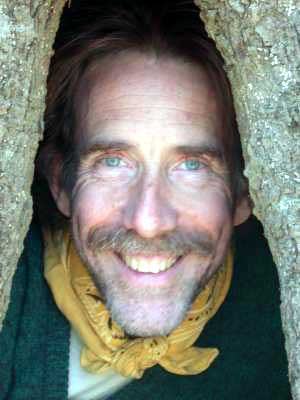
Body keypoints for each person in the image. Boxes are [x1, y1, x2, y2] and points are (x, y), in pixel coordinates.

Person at [0, 1, 291, 399]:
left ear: (246, 191)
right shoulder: (14, 297)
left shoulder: (275, 321)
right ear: (60, 183)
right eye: (113, 162)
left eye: (192, 166)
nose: (149, 221)